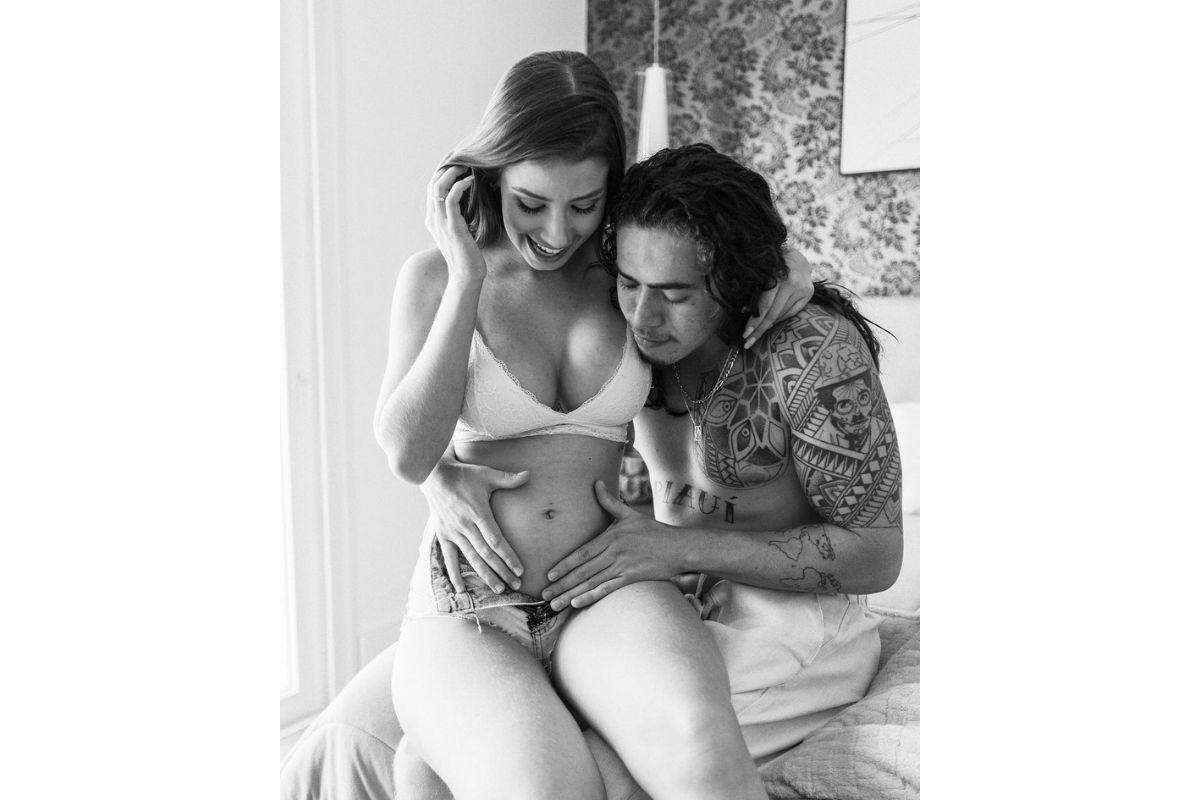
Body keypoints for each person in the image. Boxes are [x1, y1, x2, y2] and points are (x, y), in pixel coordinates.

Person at [372, 53, 811, 800]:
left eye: (584, 205)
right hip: (474, 607)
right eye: (531, 203)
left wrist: (790, 265)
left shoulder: (625, 276)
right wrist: (468, 277)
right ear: (491, 175)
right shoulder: (436, 277)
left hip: (608, 588)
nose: (556, 231)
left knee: (702, 744)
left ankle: (438, 760)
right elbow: (410, 454)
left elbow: (722, 254)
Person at [427, 143, 904, 781]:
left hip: (794, 622)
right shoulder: (627, 329)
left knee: (591, 772)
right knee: (436, 756)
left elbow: (878, 555)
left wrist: (675, 548)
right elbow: (485, 402)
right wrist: (438, 476)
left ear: (735, 280)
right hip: (668, 598)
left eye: (675, 294)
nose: (644, 318)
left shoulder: (811, 352)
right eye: (630, 284)